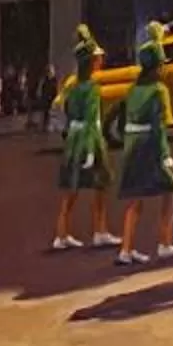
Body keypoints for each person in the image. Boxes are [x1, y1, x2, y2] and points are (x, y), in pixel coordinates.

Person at [112, 25, 173, 266]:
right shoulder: (158, 90)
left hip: (132, 146)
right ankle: (164, 244)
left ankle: (126, 249)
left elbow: (124, 121)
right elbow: (159, 126)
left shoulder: (133, 89)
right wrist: (165, 154)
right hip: (150, 147)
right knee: (170, 192)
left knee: (136, 198)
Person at [50, 27, 119, 251]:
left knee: (72, 188)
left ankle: (62, 233)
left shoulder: (73, 88)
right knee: (100, 184)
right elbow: (91, 120)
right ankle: (100, 230)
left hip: (74, 138)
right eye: (98, 58)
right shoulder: (92, 89)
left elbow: (70, 114)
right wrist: (91, 149)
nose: (101, 60)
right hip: (90, 138)